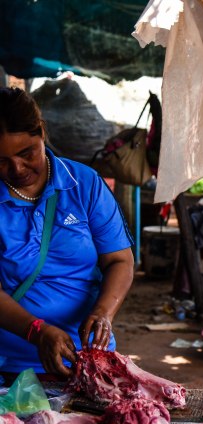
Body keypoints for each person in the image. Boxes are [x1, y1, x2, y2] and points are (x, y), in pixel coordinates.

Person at [0, 87, 134, 380]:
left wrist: (103, 313)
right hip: (9, 365)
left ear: (41, 132)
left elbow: (119, 260)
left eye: (26, 153)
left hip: (88, 357)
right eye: (1, 161)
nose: (17, 168)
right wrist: (37, 331)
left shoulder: (84, 184)